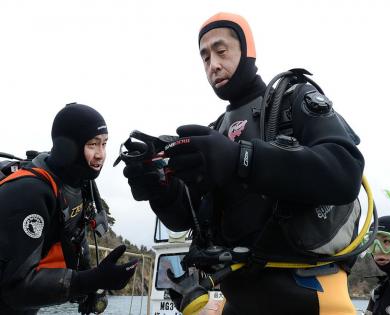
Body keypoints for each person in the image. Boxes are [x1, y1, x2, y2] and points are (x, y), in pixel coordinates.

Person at [124, 12, 365, 315]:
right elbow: (187, 220)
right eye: (205, 57)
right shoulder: (217, 130)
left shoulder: (292, 100)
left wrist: (242, 159)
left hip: (311, 297)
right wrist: (160, 189)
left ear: (248, 51)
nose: (213, 64)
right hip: (239, 302)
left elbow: (345, 171)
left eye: (221, 51)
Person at [0, 103, 138, 315]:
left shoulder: (78, 185)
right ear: (67, 147)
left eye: (104, 144)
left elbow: (74, 239)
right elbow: (14, 286)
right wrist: (88, 281)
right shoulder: (30, 192)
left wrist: (91, 284)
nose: (101, 154)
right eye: (93, 144)